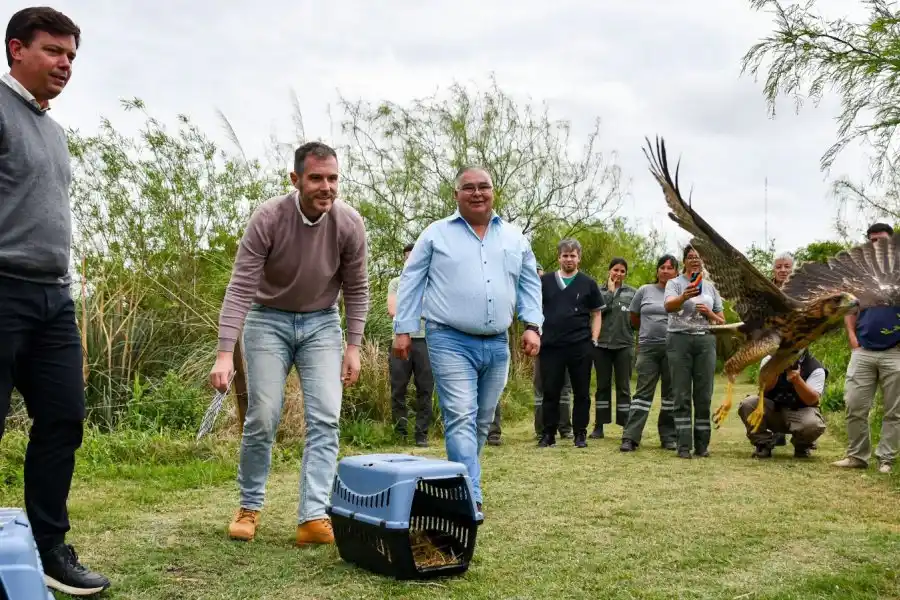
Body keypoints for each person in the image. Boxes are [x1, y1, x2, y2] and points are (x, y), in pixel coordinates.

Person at [0, 8, 110, 595]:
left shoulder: (54, 131)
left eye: (71, 55)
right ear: (16, 49)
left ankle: (49, 549)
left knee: (64, 416)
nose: (65, 64)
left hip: (53, 297)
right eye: (53, 51)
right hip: (2, 289)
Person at [210, 141, 369, 545]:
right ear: (295, 179)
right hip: (267, 320)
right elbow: (240, 287)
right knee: (263, 415)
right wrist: (225, 353)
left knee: (326, 417)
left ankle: (313, 517)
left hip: (322, 324)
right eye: (316, 178)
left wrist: (353, 346)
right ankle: (249, 507)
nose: (326, 187)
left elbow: (357, 288)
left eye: (333, 178)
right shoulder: (269, 217)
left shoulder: (349, 223)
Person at [392, 165, 542, 512]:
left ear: (493, 191)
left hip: (497, 342)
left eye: (483, 186)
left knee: (482, 421)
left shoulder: (514, 238)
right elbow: (412, 280)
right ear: (455, 194)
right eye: (469, 187)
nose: (477, 193)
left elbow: (529, 283)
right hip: (449, 339)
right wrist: (403, 328)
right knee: (460, 416)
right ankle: (469, 496)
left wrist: (533, 324)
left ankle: (458, 482)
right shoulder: (436, 234)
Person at [832, 222, 899, 474]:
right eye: (872, 240)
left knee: (894, 410)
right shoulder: (859, 275)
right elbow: (850, 308)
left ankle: (886, 459)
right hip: (863, 351)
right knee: (854, 404)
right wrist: (852, 339)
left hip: (894, 352)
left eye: (881, 239)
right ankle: (857, 456)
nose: (876, 244)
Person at [489, 262, 573, 445]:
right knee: (540, 389)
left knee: (564, 389)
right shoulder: (521, 297)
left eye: (540, 276)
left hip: (562, 346)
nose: (538, 280)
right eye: (533, 276)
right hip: (540, 347)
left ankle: (565, 429)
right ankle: (541, 430)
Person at [537, 239, 603, 448]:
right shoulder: (545, 282)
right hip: (551, 345)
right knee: (550, 391)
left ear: (579, 258)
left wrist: (594, 339)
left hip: (580, 345)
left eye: (573, 255)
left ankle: (580, 434)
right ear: (559, 258)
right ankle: (548, 434)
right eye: (565, 255)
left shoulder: (588, 283)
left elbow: (597, 313)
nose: (569, 259)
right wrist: (536, 334)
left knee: (581, 392)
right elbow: (534, 308)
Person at [664, 245, 725, 459]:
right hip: (679, 339)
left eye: (698, 257)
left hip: (705, 340)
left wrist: (709, 313)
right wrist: (683, 297)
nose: (694, 260)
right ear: (684, 261)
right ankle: (683, 445)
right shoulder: (674, 283)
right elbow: (668, 306)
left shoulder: (710, 287)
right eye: (690, 257)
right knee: (681, 393)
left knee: (704, 394)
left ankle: (702, 445)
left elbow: (722, 321)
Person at [621, 254, 679, 452]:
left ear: (676, 272)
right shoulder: (644, 290)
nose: (665, 271)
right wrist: (648, 331)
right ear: (657, 270)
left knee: (670, 395)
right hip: (647, 348)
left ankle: (669, 437)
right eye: (662, 267)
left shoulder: (680, 294)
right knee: (642, 394)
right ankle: (630, 437)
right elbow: (634, 317)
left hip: (673, 348)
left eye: (670, 268)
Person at [739, 349, 827, 458]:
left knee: (814, 424)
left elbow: (812, 400)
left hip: (800, 413)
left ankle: (802, 444)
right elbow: (763, 388)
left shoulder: (816, 368)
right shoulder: (769, 360)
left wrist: (797, 380)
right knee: (748, 404)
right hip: (774, 410)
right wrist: (775, 370)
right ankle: (763, 443)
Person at [387, 242, 434, 447]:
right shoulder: (396, 283)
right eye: (407, 257)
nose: (410, 260)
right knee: (398, 388)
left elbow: (434, 311)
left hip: (426, 340)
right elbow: (393, 310)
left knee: (425, 388)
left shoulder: (431, 282)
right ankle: (400, 434)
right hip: (400, 339)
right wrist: (419, 308)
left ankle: (421, 434)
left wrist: (408, 307)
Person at [591, 258, 636, 438]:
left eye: (622, 271)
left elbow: (636, 317)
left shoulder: (632, 293)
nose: (618, 274)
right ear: (609, 270)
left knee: (624, 387)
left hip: (624, 345)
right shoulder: (598, 291)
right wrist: (610, 292)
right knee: (602, 386)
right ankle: (599, 426)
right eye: (616, 270)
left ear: (626, 274)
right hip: (602, 345)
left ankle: (626, 426)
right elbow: (598, 311)